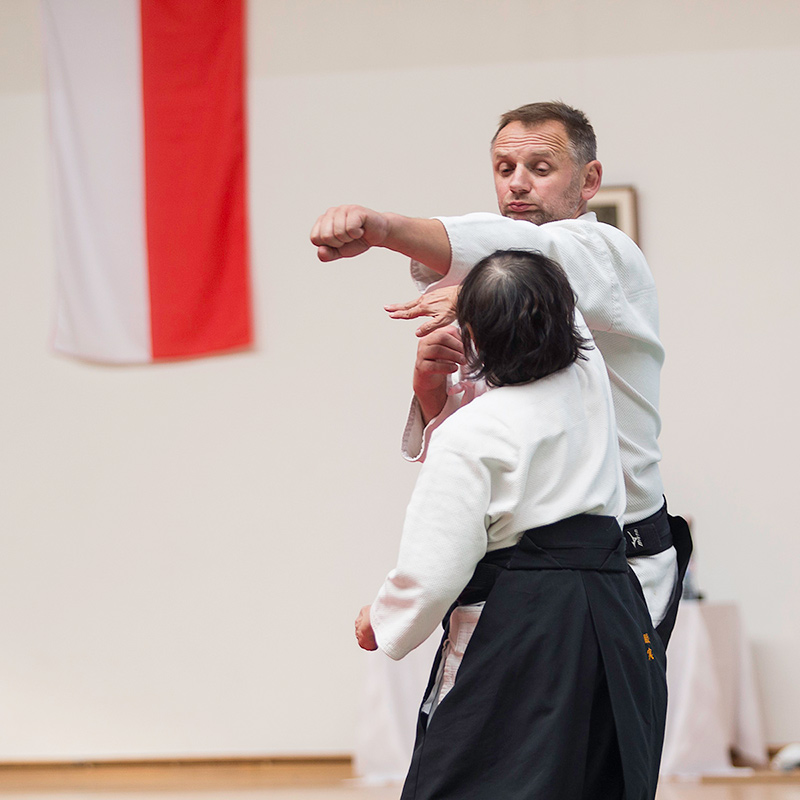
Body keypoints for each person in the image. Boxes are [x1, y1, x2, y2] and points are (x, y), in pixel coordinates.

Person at [311, 101, 691, 646]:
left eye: (540, 168)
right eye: (505, 168)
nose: (517, 184)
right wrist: (433, 395)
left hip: (615, 563)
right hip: (514, 569)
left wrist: (386, 228)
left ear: (589, 181)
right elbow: (484, 447)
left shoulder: (605, 254)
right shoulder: (496, 289)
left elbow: (541, 254)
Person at [354, 249, 666, 800]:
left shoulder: (471, 435)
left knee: (483, 778)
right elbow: (566, 309)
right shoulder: (588, 379)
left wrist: (380, 619)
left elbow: (433, 572)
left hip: (521, 618)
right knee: (596, 778)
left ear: (471, 335)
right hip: (610, 605)